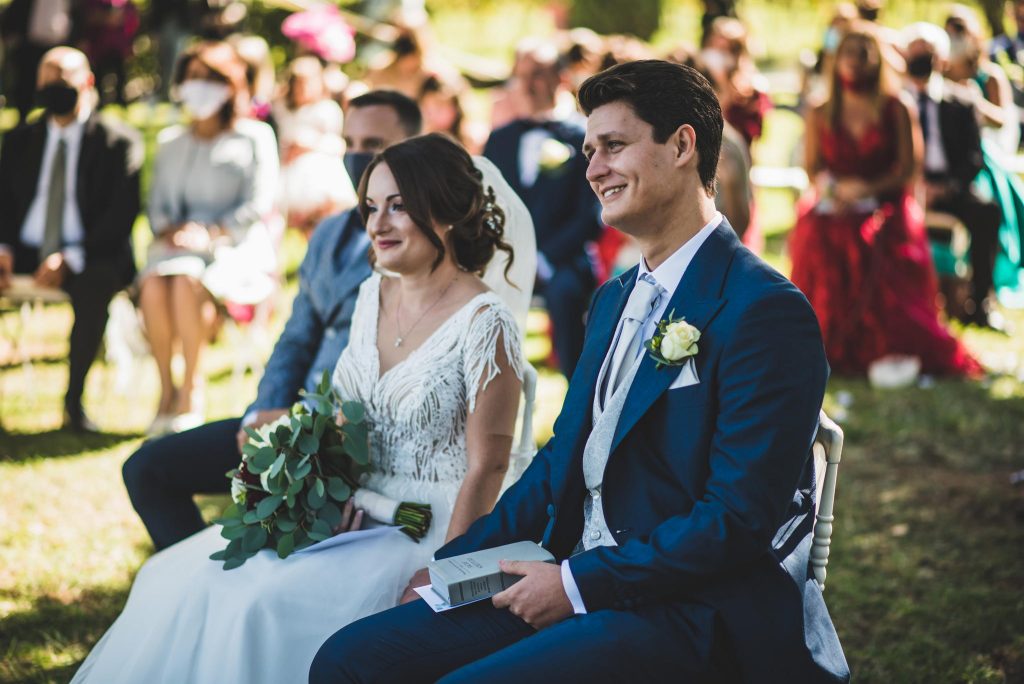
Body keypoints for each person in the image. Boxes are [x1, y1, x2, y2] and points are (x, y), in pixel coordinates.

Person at [311, 59, 850, 684]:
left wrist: (575, 584)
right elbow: (559, 460)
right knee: (347, 661)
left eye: (614, 147)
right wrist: (454, 563)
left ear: (682, 145)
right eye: (590, 150)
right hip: (565, 570)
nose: (593, 169)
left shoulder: (763, 311)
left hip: (688, 609)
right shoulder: (615, 298)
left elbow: (735, 522)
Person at [75, 132, 532, 684]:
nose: (377, 224)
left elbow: (489, 465)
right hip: (353, 515)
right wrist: (319, 486)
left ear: (446, 210)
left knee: (259, 607)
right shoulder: (373, 295)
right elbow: (346, 415)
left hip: (427, 527)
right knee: (182, 575)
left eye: (399, 206)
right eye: (371, 208)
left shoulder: (486, 322)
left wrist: (444, 573)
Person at [122, 90, 421, 552]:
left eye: (374, 143)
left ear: (411, 146)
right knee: (146, 469)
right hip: (290, 420)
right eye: (350, 141)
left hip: (358, 439)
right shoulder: (330, 234)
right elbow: (297, 337)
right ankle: (201, 579)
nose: (358, 156)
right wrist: (262, 412)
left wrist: (310, 425)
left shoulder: (424, 243)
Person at [788, 23, 980, 377]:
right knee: (816, 232)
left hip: (885, 204)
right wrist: (836, 190)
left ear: (878, 59)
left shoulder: (896, 106)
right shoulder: (820, 110)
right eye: (849, 52)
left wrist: (868, 189)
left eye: (864, 52)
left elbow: (908, 169)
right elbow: (813, 168)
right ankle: (822, 343)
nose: (856, 61)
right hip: (835, 203)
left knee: (871, 239)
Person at [139, 40, 280, 435]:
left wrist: (212, 232)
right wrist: (174, 231)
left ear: (229, 85)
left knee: (187, 280)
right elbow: (157, 205)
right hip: (176, 245)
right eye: (193, 78)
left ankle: (191, 389)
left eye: (209, 78)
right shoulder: (171, 141)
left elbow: (259, 202)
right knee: (154, 284)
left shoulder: (255, 137)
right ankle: (166, 389)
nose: (199, 87)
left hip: (233, 246)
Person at [0, 47, 142, 432]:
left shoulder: (118, 142)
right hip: (24, 251)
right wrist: (4, 249)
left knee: (98, 281)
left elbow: (120, 216)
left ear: (87, 82)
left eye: (63, 79)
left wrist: (70, 257)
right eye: (46, 80)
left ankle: (73, 403)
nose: (54, 88)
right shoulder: (18, 141)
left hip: (88, 252)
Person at [484, 40, 602, 379]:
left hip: (564, 259)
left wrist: (542, 260)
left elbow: (591, 216)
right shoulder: (501, 139)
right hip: (507, 258)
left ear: (560, 78)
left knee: (566, 295)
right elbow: (486, 206)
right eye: (519, 76)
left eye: (536, 75)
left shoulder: (586, 136)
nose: (526, 85)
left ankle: (578, 399)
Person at [903, 22, 1003, 331]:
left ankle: (980, 301)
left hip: (951, 187)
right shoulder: (897, 103)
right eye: (914, 53)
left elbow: (974, 158)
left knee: (987, 211)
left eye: (927, 53)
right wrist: (914, 186)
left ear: (941, 60)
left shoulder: (962, 101)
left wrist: (946, 187)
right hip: (906, 188)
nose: (920, 60)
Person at [944, 6, 1024, 308]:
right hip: (953, 159)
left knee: (991, 200)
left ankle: (990, 277)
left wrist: (974, 104)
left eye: (960, 31)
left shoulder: (988, 75)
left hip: (985, 154)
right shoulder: (943, 73)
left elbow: (1003, 118)